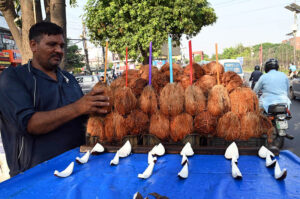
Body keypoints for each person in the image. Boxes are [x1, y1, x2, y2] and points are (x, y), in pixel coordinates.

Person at [0, 22, 109, 177]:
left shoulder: (69, 79)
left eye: (61, 46)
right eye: (52, 44)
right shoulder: (13, 78)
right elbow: (31, 124)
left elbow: (84, 117)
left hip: (77, 167)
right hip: (34, 175)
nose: (59, 50)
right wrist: (79, 107)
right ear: (33, 45)